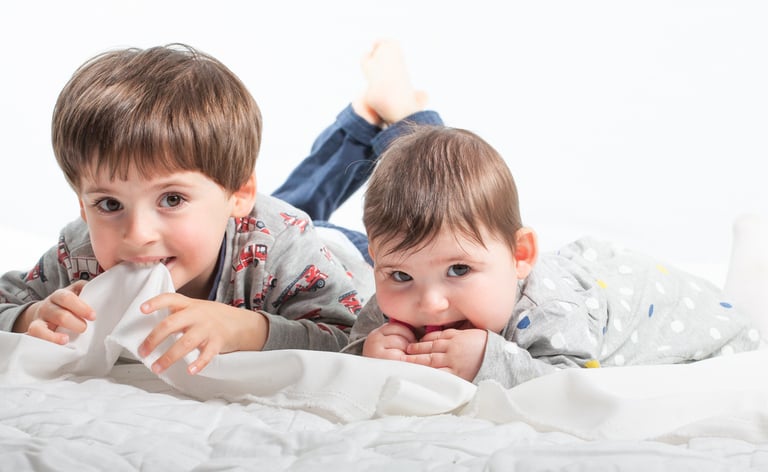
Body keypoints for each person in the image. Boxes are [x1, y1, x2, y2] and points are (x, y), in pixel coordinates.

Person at [0, 41, 436, 377]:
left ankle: (402, 112)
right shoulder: (79, 254)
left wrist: (246, 329)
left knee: (437, 207)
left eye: (171, 199)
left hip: (330, 247)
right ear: (82, 205)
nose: (137, 234)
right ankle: (361, 117)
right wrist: (30, 317)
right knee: (283, 206)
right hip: (249, 223)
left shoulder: (283, 243)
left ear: (239, 195)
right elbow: (6, 299)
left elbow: (353, 337)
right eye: (109, 204)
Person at [341, 124, 763, 389]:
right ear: (376, 259)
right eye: (399, 275)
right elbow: (345, 354)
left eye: (459, 269)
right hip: (587, 271)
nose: (429, 302)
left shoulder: (550, 311)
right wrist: (368, 352)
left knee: (746, 328)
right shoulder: (392, 302)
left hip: (676, 313)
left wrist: (492, 361)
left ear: (520, 255)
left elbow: (572, 385)